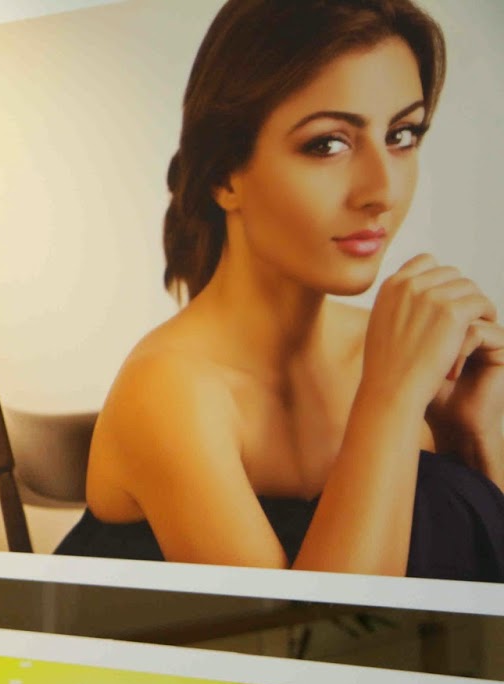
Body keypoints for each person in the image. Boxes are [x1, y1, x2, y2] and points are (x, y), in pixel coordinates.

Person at [55, 0, 504, 580]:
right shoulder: (169, 390)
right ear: (225, 175)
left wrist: (470, 437)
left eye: (401, 134)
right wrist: (388, 403)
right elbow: (309, 632)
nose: (382, 190)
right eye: (328, 144)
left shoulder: (397, 353)